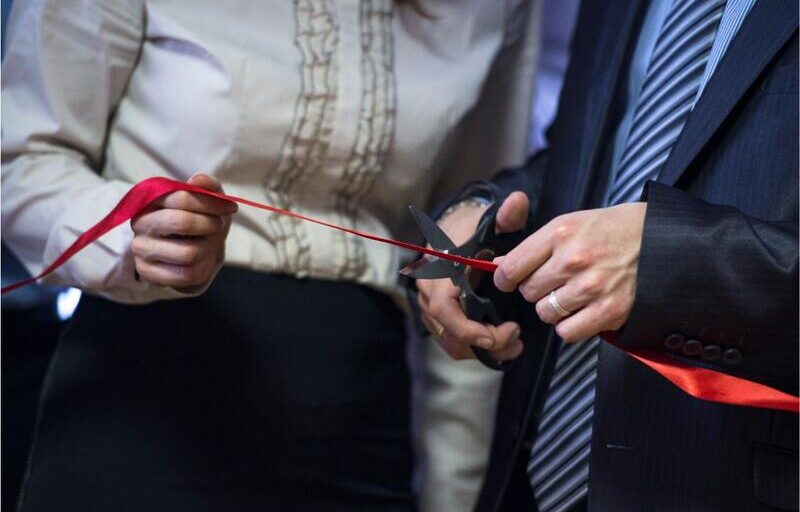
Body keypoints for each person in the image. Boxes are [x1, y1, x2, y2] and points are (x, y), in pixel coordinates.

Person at [1, 1, 539, 511]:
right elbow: (21, 160)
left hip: (362, 427)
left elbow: (471, 266)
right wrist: (135, 233)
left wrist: (456, 492)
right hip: (140, 403)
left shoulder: (494, 8)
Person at [417, 1, 798, 511]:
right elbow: (590, 157)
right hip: (532, 461)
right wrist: (485, 215)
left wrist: (670, 262)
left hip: (727, 479)